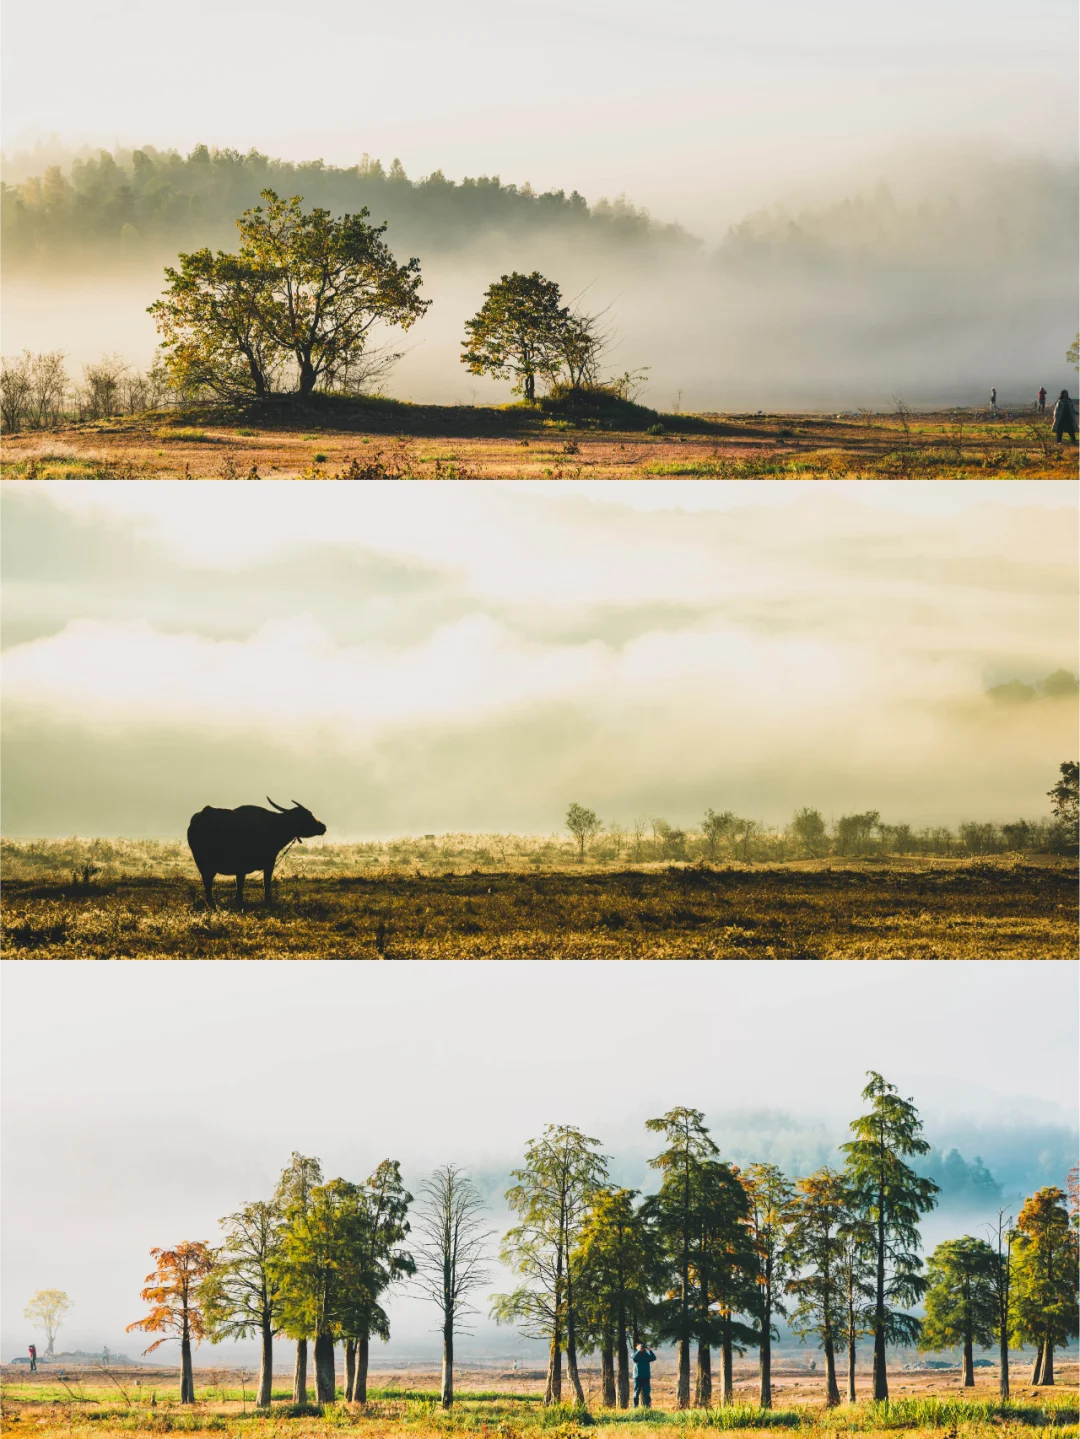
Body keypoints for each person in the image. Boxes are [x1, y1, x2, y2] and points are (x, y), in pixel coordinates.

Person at [631, 1342, 656, 1408]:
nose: (642, 1348)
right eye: (640, 1347)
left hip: (646, 1377)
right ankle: (635, 1407)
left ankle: (648, 1407)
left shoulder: (646, 1354)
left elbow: (653, 1358)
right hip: (637, 1376)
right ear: (637, 1348)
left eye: (642, 1347)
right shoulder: (634, 1353)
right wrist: (638, 1351)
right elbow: (634, 1359)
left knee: (647, 1393)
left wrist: (649, 1350)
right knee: (636, 1393)